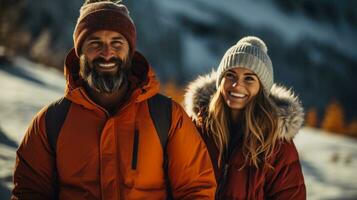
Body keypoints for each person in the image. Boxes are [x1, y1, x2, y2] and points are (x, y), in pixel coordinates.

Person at [12, 0, 216, 199]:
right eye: (95, 43)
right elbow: (29, 192)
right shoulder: (51, 122)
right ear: (79, 52)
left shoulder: (168, 117)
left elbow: (196, 189)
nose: (107, 53)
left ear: (130, 51)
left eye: (117, 43)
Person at [184, 36, 306, 199]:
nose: (236, 85)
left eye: (249, 78)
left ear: (262, 89)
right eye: (230, 75)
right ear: (220, 81)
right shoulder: (196, 128)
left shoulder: (277, 146)